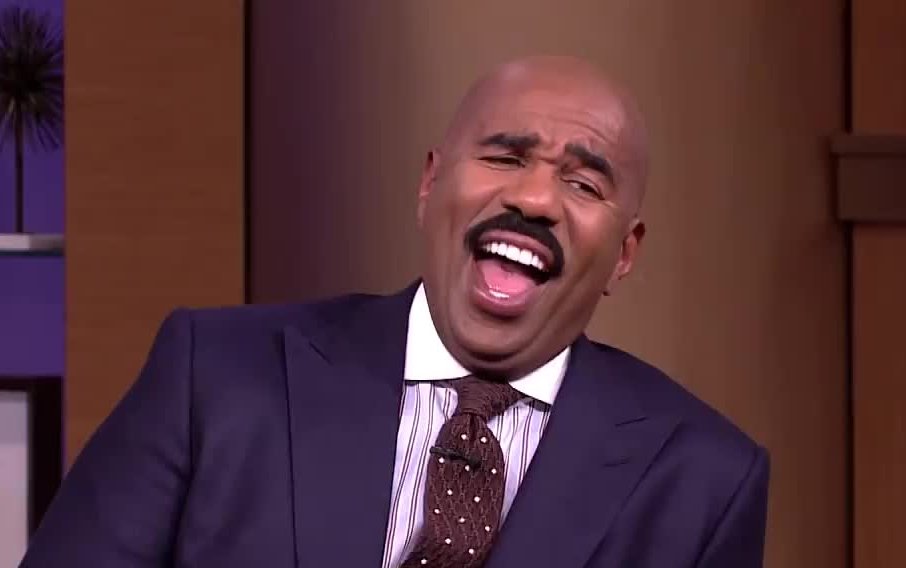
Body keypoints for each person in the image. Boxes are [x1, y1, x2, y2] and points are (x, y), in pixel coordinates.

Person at [21, 56, 769, 568]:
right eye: (506, 157)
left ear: (625, 254)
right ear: (429, 184)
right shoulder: (213, 378)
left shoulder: (703, 479)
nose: (535, 197)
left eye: (584, 184)